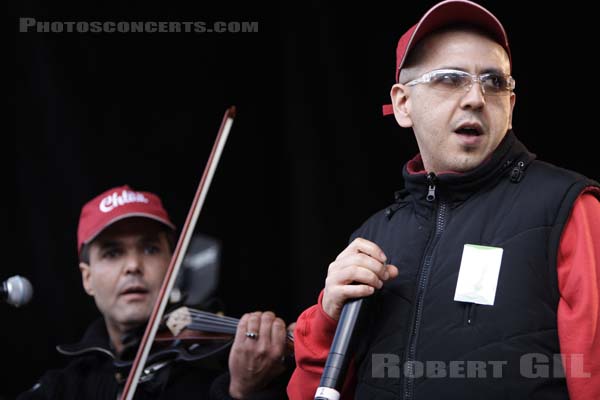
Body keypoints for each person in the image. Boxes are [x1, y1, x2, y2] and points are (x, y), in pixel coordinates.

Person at [287, 1, 600, 399]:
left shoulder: (568, 208)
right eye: (450, 79)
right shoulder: (373, 239)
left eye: (494, 82)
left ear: (511, 106)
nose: (476, 98)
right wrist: (329, 317)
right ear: (403, 104)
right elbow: (309, 392)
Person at [18, 185, 292, 399]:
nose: (134, 266)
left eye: (150, 249)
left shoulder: (216, 366)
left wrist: (242, 392)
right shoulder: (64, 387)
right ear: (87, 278)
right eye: (113, 253)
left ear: (173, 264)